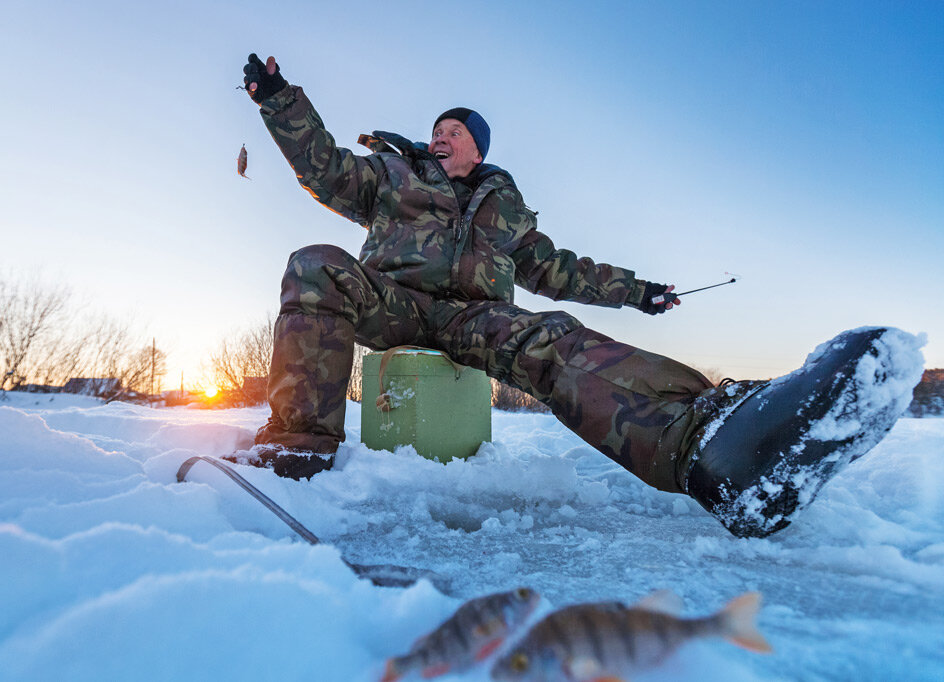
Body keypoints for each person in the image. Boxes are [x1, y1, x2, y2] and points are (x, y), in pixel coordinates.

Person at [236, 54, 910, 539]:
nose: (441, 136)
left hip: (476, 316)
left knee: (549, 333)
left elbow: (561, 269)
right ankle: (300, 441)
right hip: (392, 299)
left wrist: (639, 291)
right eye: (436, 130)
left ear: (477, 150)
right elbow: (322, 167)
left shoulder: (506, 211)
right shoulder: (390, 175)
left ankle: (709, 447)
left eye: (455, 131)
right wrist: (279, 99)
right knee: (315, 265)